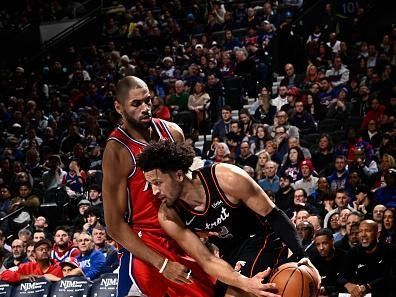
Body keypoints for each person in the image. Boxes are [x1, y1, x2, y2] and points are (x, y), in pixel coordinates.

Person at [137, 141, 317, 297]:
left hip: (262, 239)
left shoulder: (226, 178)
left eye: (158, 183)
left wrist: (302, 255)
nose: (154, 192)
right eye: (150, 185)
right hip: (228, 253)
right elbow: (206, 260)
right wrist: (246, 283)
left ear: (178, 175)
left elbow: (274, 215)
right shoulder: (168, 215)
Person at [102, 76, 214, 297]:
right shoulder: (117, 151)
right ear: (119, 107)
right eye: (136, 104)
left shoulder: (173, 133)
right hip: (145, 244)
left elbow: (188, 189)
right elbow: (114, 226)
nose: (145, 108)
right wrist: (162, 264)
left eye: (148, 101)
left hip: (181, 236)